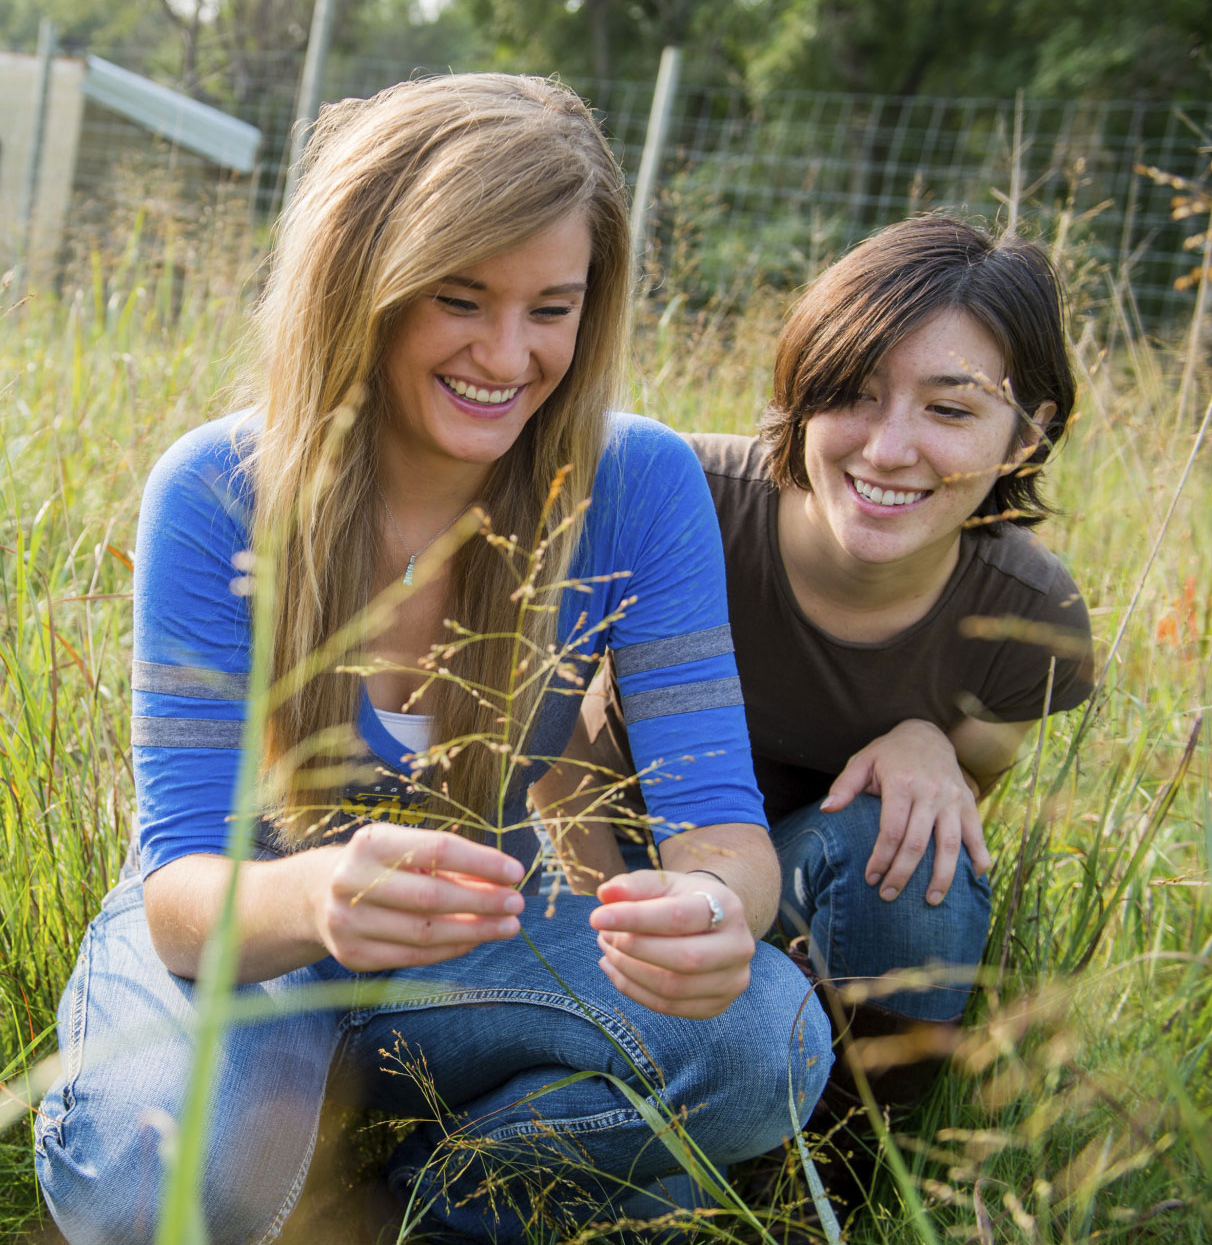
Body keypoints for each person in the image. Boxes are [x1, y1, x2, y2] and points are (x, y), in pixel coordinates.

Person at [34, 74, 833, 1245]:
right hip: (254, 939)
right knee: (157, 1189)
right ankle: (265, 1134)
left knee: (770, 1039)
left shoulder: (640, 483)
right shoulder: (216, 490)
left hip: (485, 938)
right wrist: (320, 894)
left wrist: (715, 904)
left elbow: (719, 823)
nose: (508, 356)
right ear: (365, 284)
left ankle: (439, 1203)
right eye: (460, 298)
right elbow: (181, 904)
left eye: (552, 308)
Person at [536, 213, 1093, 1206]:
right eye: (852, 392)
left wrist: (932, 747)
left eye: (950, 410)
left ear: (1030, 432)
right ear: (799, 391)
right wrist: (622, 919)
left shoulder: (1024, 614)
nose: (888, 447)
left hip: (784, 898)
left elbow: (953, 823)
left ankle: (832, 1177)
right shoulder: (679, 499)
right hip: (612, 896)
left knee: (917, 855)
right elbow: (550, 740)